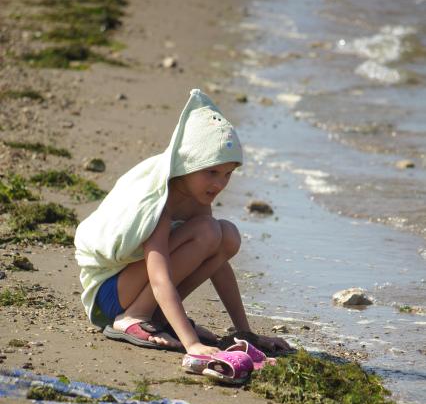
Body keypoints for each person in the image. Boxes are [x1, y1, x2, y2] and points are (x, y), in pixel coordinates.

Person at [74, 89, 290, 356]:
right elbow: (160, 277)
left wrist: (245, 333)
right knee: (208, 231)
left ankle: (156, 318)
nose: (220, 183)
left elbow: (218, 263)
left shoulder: (197, 198)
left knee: (227, 235)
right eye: (211, 172)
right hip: (108, 296)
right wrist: (192, 344)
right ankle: (134, 318)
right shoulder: (160, 201)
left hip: (135, 288)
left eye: (227, 174)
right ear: (187, 164)